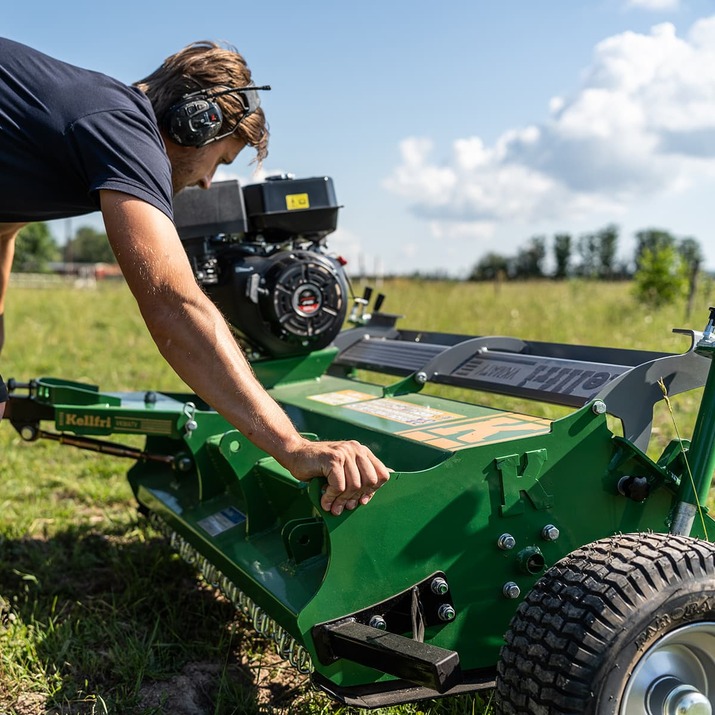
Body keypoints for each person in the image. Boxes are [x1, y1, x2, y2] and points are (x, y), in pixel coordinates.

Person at [0, 37, 390, 515]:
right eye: (221, 160)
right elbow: (174, 305)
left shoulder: (93, 114)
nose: (208, 182)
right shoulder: (125, 131)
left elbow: (4, 228)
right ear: (195, 122)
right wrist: (290, 445)